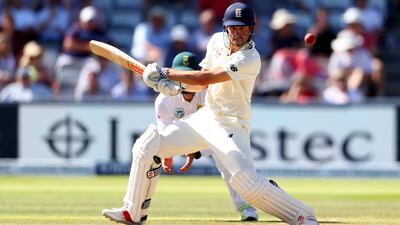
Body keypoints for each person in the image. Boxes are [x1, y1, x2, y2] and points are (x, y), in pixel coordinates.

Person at [102, 2, 319, 225]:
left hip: (231, 125)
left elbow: (207, 78)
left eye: (243, 28)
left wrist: (165, 72)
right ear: (226, 27)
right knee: (148, 145)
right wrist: (172, 87)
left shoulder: (250, 58)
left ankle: (302, 215)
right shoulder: (216, 41)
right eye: (233, 28)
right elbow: (200, 81)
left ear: (252, 29)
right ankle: (133, 212)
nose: (238, 33)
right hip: (206, 117)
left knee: (246, 183)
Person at [155, 51, 258, 221]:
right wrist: (168, 155)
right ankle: (137, 208)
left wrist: (194, 153)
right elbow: (165, 133)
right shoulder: (164, 100)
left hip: (217, 132)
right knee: (150, 150)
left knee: (229, 163)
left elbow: (217, 126)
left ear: (198, 74)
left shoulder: (211, 92)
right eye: (182, 74)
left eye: (190, 75)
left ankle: (247, 206)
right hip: (186, 135)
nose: (185, 80)